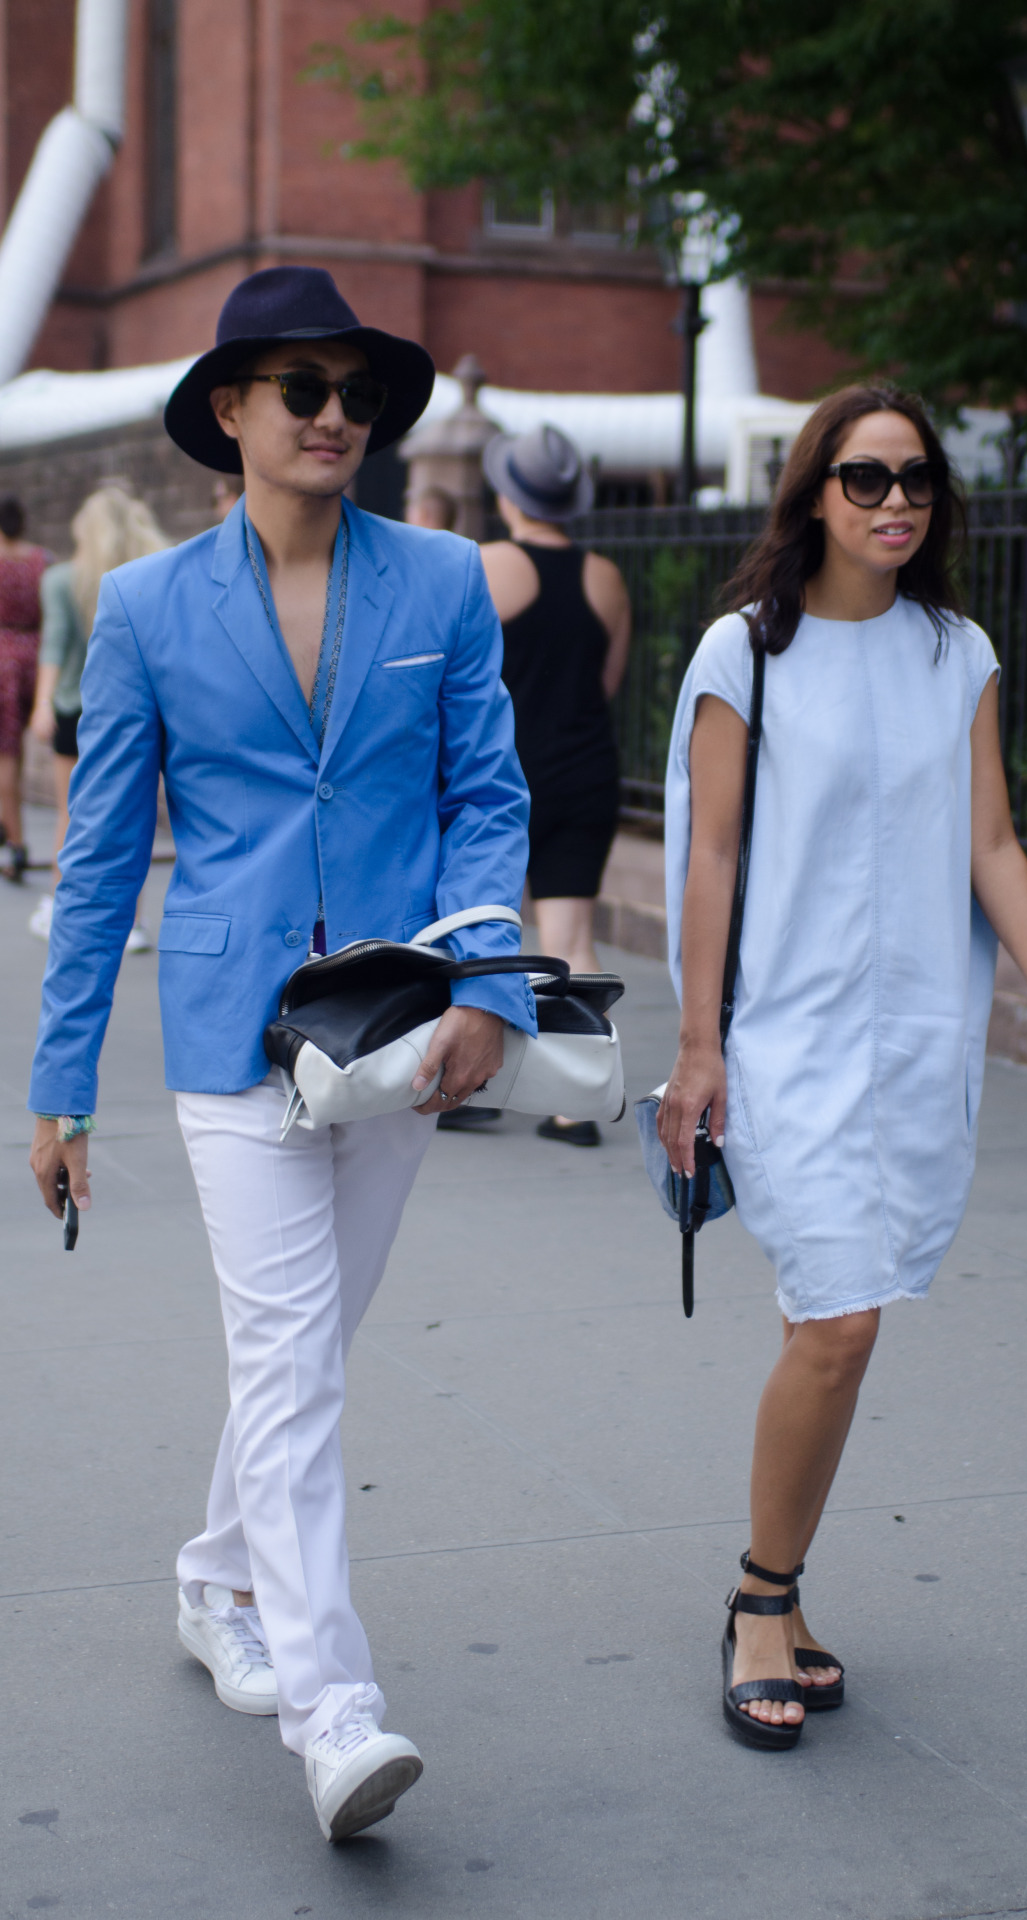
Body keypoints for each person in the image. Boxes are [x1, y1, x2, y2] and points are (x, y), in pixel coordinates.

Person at [27, 265, 534, 1839]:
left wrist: (491, 992)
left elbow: (488, 801)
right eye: (301, 389)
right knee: (291, 1358)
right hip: (229, 1038)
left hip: (398, 1030)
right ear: (232, 414)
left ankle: (211, 1578)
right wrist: (57, 1083)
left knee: (302, 1353)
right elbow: (102, 859)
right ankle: (336, 1714)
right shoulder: (151, 609)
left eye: (357, 393)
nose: (334, 415)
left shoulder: (442, 582)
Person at [657, 385, 1027, 1751]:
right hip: (787, 1036)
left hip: (917, 1028)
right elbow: (715, 859)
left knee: (848, 1323)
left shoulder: (956, 650)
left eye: (916, 478)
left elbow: (992, 846)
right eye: (864, 479)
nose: (895, 502)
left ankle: (784, 1585)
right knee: (840, 1317)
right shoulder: (742, 656)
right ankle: (759, 1599)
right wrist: (699, 1048)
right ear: (813, 493)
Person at [475, 423, 630, 1146]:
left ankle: (461, 1082)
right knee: (571, 938)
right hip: (586, 770)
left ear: (509, 493)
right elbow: (606, 683)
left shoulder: (490, 564)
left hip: (503, 777)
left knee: (476, 929)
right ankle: (578, 1102)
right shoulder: (605, 577)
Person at [29, 485, 170, 946]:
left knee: (70, 815)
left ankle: (59, 909)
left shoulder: (63, 579)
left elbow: (54, 646)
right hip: (143, 711)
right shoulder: (153, 573)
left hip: (75, 707)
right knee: (139, 815)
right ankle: (133, 924)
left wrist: (42, 704)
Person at [0, 496, 52, 884]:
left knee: (6, 758)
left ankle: (15, 845)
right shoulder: (41, 560)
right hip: (35, 655)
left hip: (1, 658)